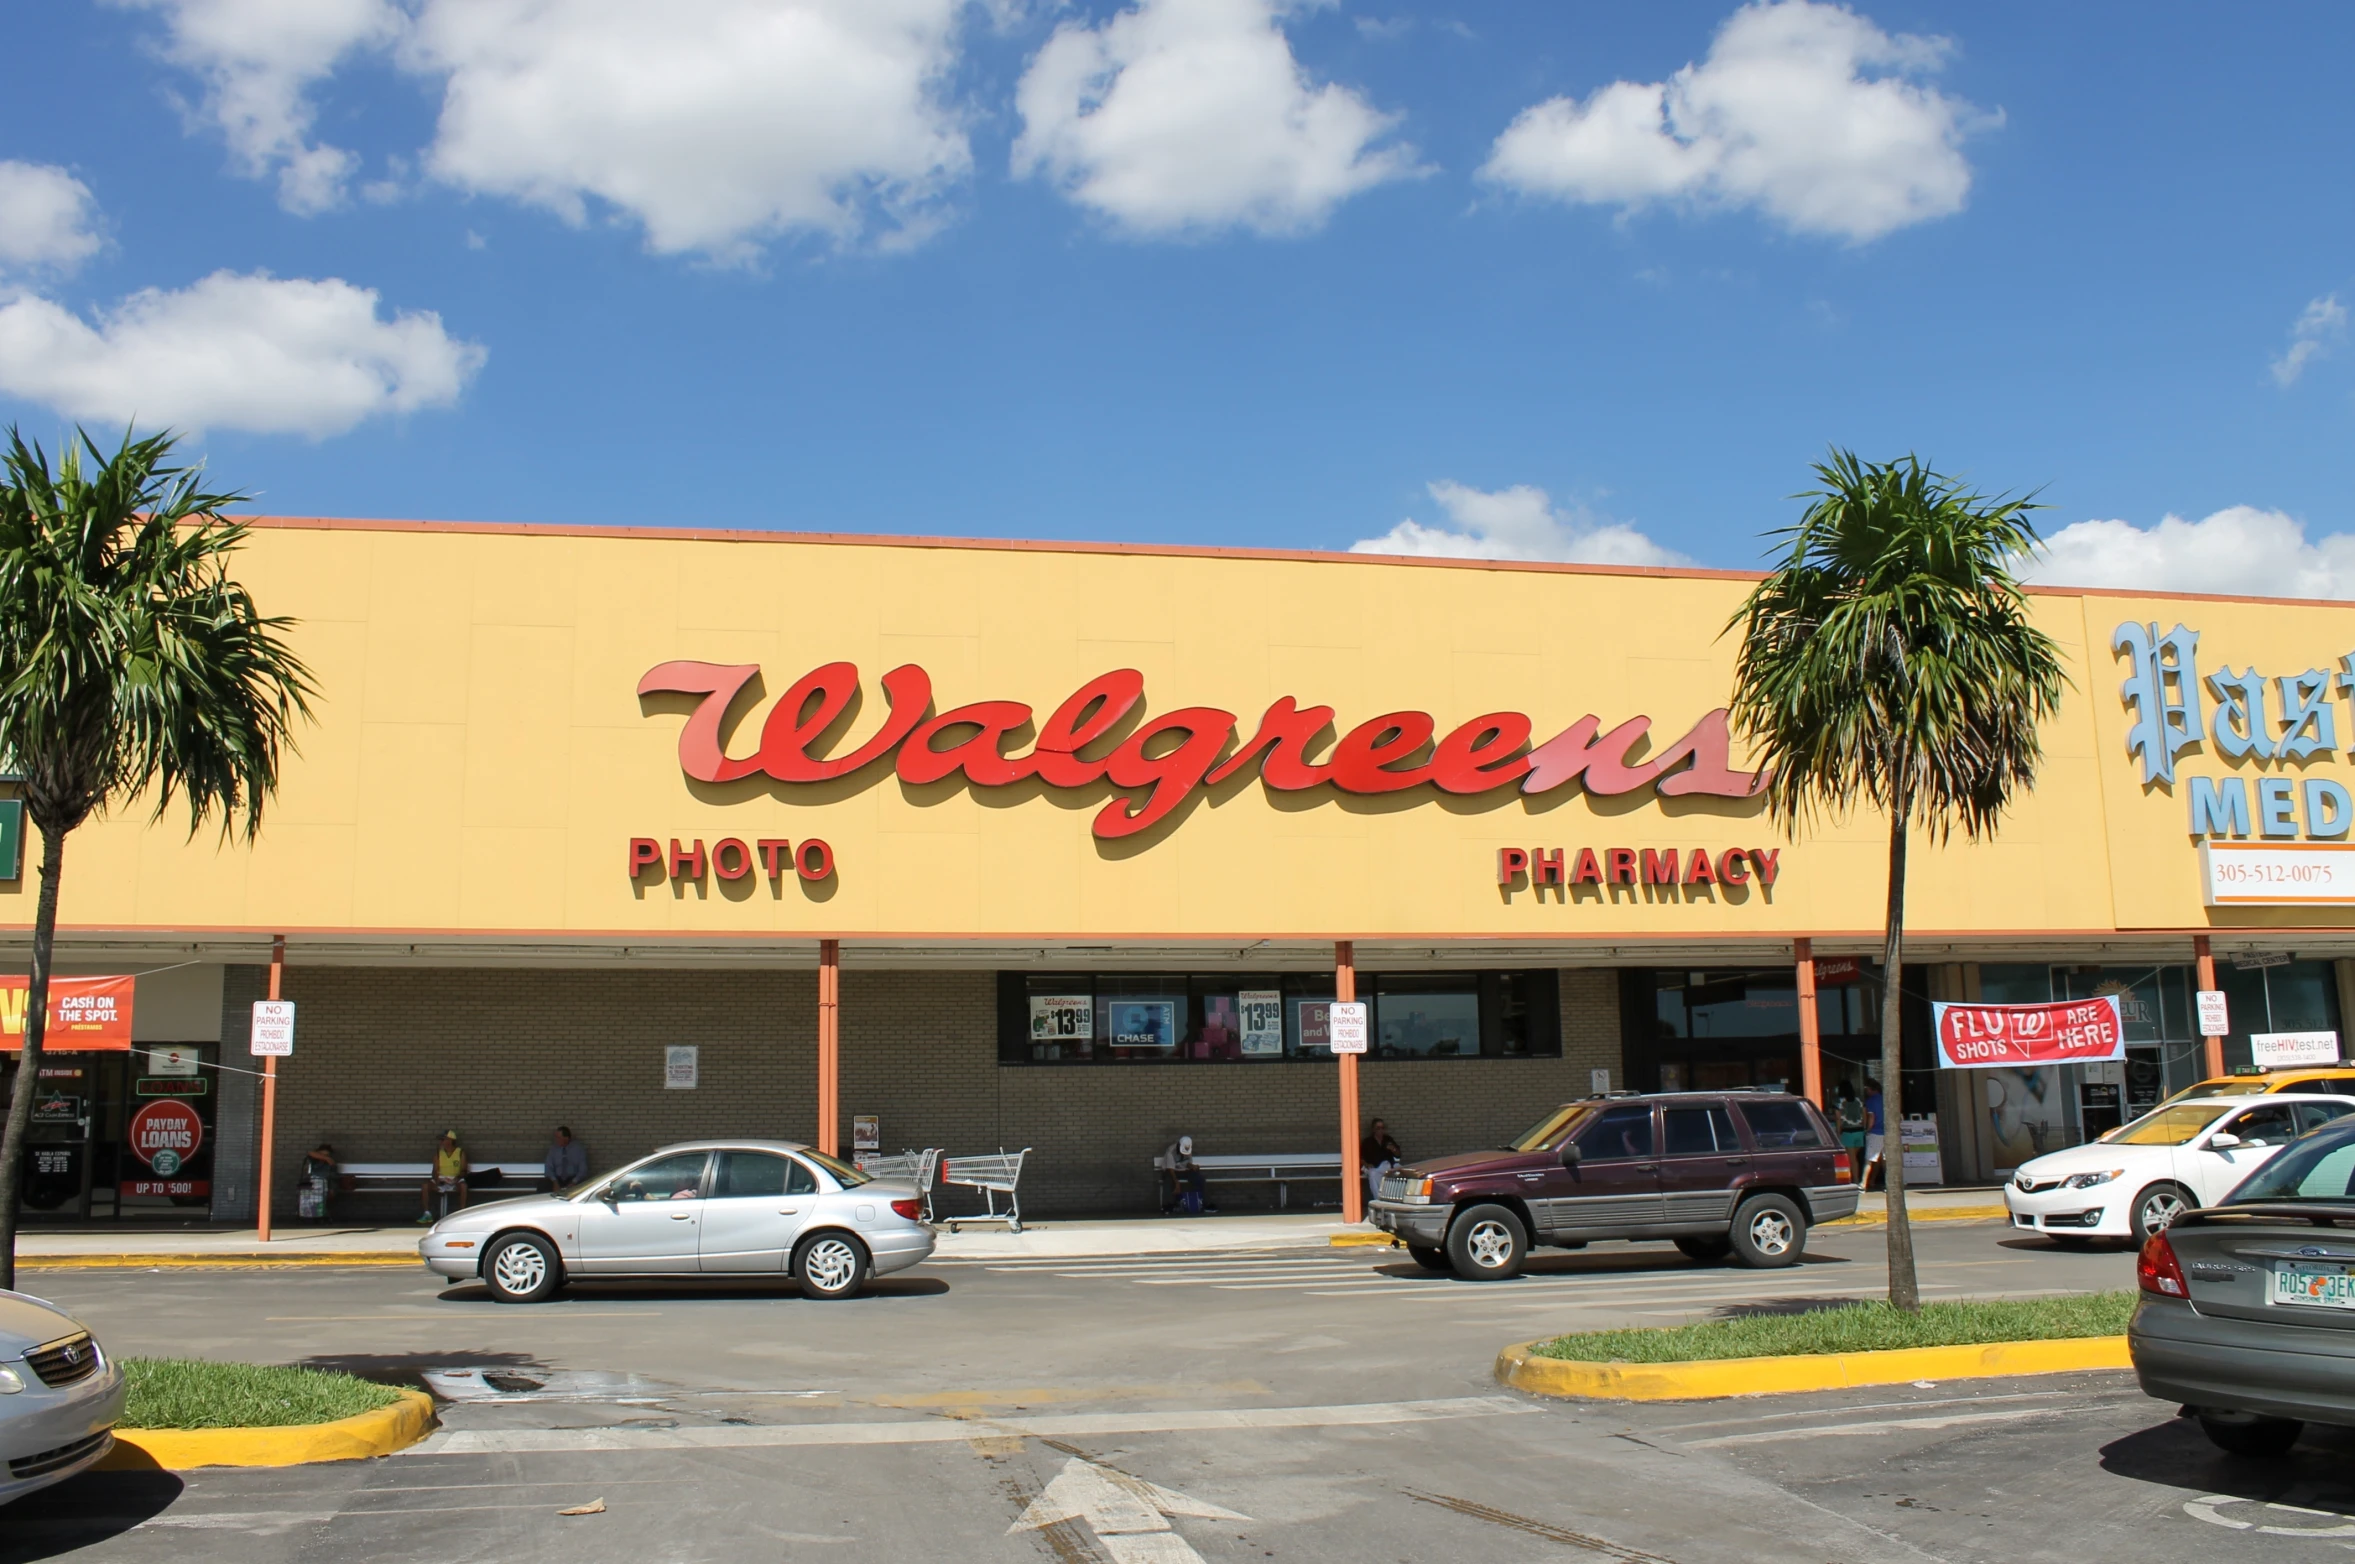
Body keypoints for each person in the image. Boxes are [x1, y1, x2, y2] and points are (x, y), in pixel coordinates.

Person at [419, 1129, 470, 1224]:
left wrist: (456, 1179)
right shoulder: (438, 1153)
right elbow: (434, 1170)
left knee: (463, 1186)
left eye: (443, 1139)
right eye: (441, 1140)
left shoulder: (460, 1152)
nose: (441, 1142)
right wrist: (437, 1179)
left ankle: (462, 1213)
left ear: (450, 1141)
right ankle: (427, 1214)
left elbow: (464, 1170)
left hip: (455, 1179)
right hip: (441, 1179)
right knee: (425, 1186)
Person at [1163, 1134, 1211, 1215]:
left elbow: (1188, 1163)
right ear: (1179, 1145)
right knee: (1168, 1181)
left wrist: (1192, 1166)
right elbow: (1170, 1169)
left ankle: (1201, 1202)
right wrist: (1177, 1183)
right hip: (1171, 1171)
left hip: (1184, 1170)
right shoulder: (1170, 1151)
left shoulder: (1188, 1148)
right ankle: (1168, 1205)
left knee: (1199, 1179)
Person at [1361, 1118, 1404, 1200]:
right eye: (1378, 1128)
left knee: (1402, 1171)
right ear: (1373, 1129)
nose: (1381, 1130)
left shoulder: (1388, 1139)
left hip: (1389, 1165)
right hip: (1375, 1166)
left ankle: (1398, 1198)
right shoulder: (1367, 1142)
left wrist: (1393, 1149)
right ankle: (1378, 1200)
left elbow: (1398, 1155)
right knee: (1373, 1175)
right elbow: (1360, 1157)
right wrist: (1367, 1164)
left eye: (1382, 1128)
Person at [1833, 1083, 1868, 1182]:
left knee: (1852, 1159)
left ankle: (1855, 1180)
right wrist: (1864, 1127)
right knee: (1852, 1157)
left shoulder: (1838, 1102)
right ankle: (1853, 1178)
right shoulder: (1860, 1100)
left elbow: (1838, 1118)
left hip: (1847, 1132)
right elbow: (1865, 1113)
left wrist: (1838, 1132)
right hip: (1859, 1131)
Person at [298, 1141, 339, 1221]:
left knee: (320, 1199)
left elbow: (333, 1177)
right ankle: (311, 1215)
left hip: (324, 1183)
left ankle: (319, 1215)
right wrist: (326, 1158)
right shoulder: (315, 1161)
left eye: (327, 1155)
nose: (324, 1156)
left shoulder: (330, 1164)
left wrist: (332, 1188)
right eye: (322, 1155)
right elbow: (310, 1153)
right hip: (314, 1181)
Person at [544, 1125, 589, 1191]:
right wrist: (554, 1182)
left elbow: (583, 1169)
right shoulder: (553, 1149)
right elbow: (548, 1167)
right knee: (543, 1186)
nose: (556, 1140)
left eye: (559, 1138)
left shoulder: (578, 1149)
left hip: (573, 1179)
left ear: (566, 1138)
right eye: (556, 1137)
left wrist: (574, 1182)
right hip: (557, 1179)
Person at [1862, 1079, 1886, 1190]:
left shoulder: (1870, 1101)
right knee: (1885, 1160)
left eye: (1866, 1089)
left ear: (1871, 1089)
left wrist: (1867, 1130)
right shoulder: (1885, 1099)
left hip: (1875, 1132)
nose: (1866, 1091)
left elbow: (1871, 1117)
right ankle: (1888, 1184)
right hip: (1888, 1132)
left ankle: (1863, 1183)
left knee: (1869, 1159)